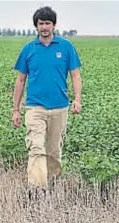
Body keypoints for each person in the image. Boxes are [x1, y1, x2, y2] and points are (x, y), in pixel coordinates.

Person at [11, 6, 83, 198]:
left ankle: (52, 183)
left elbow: (75, 75)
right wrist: (15, 110)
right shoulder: (28, 49)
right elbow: (20, 80)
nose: (44, 27)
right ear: (36, 26)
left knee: (53, 150)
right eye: (41, 23)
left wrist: (77, 99)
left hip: (60, 107)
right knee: (36, 147)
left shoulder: (66, 47)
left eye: (47, 23)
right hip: (35, 107)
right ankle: (37, 190)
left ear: (54, 25)